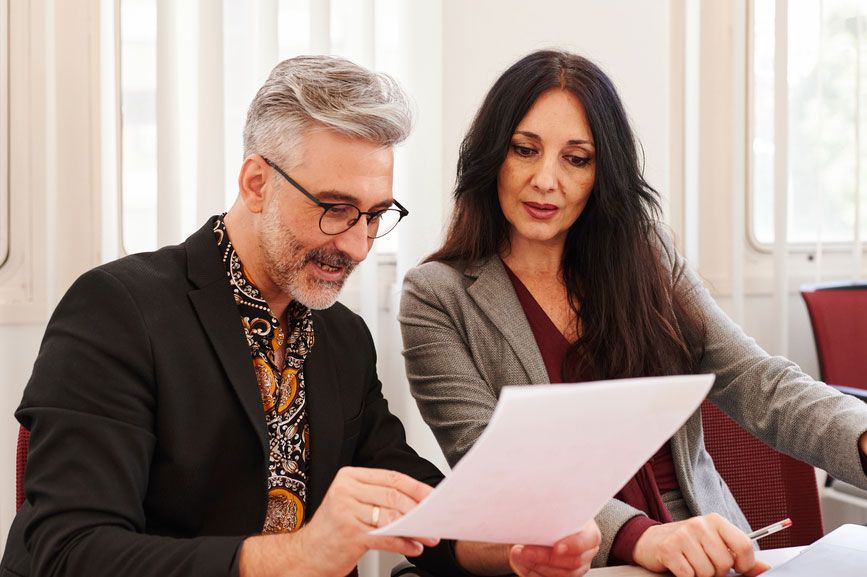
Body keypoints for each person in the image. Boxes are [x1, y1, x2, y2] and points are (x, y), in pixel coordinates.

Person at [0, 55, 602, 577]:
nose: (359, 246)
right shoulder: (118, 310)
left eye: (375, 215)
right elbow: (67, 553)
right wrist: (300, 557)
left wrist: (516, 545)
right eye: (336, 210)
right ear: (257, 182)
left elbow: (414, 502)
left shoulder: (340, 336)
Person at [399, 49, 867, 577]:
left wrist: (862, 437)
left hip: (707, 551)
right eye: (525, 150)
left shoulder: (650, 256)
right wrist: (641, 537)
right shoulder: (436, 296)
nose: (546, 180)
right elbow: (493, 472)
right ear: (492, 157)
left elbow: (759, 382)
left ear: (604, 172)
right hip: (576, 560)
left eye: (576, 159)